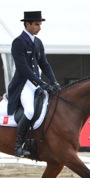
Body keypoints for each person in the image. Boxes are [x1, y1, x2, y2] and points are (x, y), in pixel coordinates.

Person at [7, 10, 60, 158]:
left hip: (36, 83)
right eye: (37, 24)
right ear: (27, 24)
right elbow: (23, 68)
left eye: (40, 24)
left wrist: (54, 82)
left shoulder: (38, 42)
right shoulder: (18, 42)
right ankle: (18, 146)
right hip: (24, 84)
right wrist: (41, 83)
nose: (39, 27)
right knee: (29, 111)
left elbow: (45, 64)